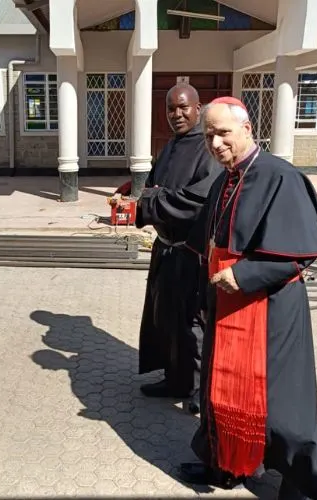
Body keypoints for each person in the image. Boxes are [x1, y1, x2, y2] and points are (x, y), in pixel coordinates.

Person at [180, 97, 317, 500]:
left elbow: (299, 253)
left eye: (223, 133)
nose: (215, 143)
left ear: (247, 129)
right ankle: (224, 464)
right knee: (220, 392)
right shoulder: (225, 179)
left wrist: (245, 274)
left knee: (282, 408)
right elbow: (209, 241)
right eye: (209, 136)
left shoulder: (281, 176)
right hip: (225, 302)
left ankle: (299, 486)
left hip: (271, 308)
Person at [119, 83, 223, 414]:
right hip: (165, 248)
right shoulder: (170, 146)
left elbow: (197, 200)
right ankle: (175, 379)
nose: (176, 114)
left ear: (198, 108)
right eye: (170, 109)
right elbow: (153, 186)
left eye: (183, 107)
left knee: (193, 323)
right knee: (165, 318)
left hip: (191, 253)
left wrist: (147, 205)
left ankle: (198, 389)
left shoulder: (208, 148)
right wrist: (132, 197)